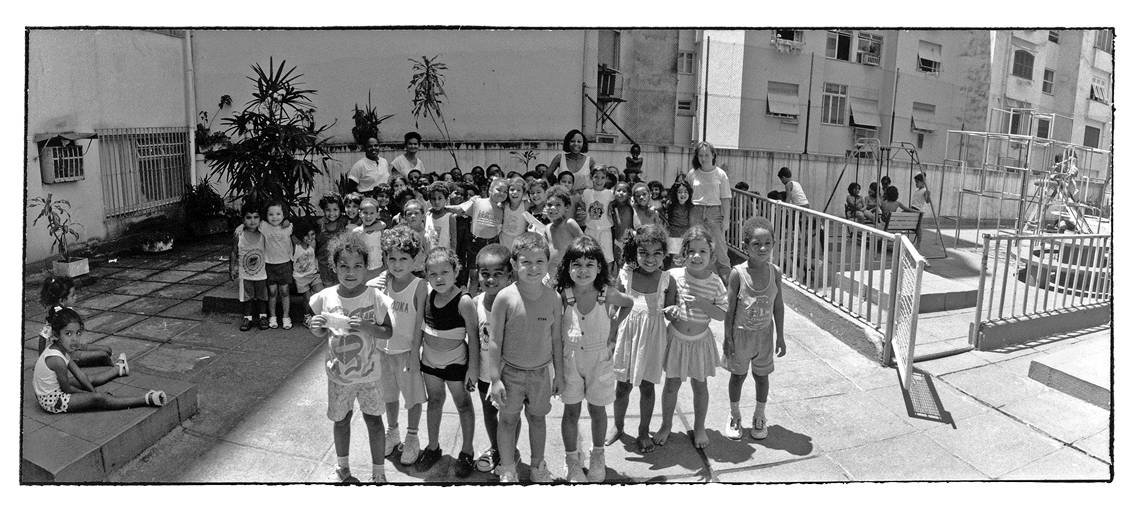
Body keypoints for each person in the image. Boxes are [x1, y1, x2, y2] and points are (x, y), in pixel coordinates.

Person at [308, 233, 393, 483]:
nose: (350, 272)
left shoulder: (374, 297)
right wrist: (315, 326)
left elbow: (388, 331)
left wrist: (368, 327)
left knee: (374, 421)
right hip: (339, 376)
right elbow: (319, 330)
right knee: (341, 420)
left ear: (366, 268)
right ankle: (342, 467)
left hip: (369, 375)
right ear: (334, 267)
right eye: (343, 266)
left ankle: (379, 471)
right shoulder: (325, 297)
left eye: (357, 266)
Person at [486, 232, 564, 483]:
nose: (533, 268)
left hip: (541, 373)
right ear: (514, 265)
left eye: (539, 261)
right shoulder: (505, 297)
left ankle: (537, 467)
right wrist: (495, 379)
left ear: (548, 263)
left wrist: (559, 375)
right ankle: (507, 467)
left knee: (537, 420)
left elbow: (555, 340)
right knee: (507, 421)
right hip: (510, 373)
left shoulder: (553, 298)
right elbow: (494, 340)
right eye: (525, 262)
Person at [555, 236, 634, 482]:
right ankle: (572, 458)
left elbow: (629, 303)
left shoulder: (605, 293)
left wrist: (613, 331)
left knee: (597, 409)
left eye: (590, 264)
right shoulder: (561, 295)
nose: (583, 270)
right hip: (570, 359)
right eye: (576, 264)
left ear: (600, 267)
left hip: (599, 359)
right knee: (571, 411)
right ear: (567, 267)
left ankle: (598, 454)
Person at [657, 225, 727, 450]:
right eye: (691, 251)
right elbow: (663, 304)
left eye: (703, 251)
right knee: (671, 385)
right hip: (676, 339)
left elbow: (721, 314)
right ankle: (666, 425)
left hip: (700, 343)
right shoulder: (674, 276)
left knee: (700, 386)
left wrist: (701, 302)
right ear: (683, 253)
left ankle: (699, 427)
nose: (696, 256)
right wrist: (670, 311)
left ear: (711, 255)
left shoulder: (715, 282)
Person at [608, 224, 676, 453]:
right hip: (627, 339)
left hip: (652, 342)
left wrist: (673, 311)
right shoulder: (626, 274)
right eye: (644, 253)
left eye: (657, 253)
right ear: (634, 252)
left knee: (647, 388)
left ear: (664, 255)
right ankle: (617, 427)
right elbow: (613, 303)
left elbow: (670, 309)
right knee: (622, 388)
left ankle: (643, 431)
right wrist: (611, 330)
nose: (650, 259)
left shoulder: (667, 280)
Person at [415, 247, 481, 477]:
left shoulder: (464, 301)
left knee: (463, 404)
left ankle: (466, 452)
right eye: (433, 274)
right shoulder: (427, 295)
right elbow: (421, 331)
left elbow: (474, 338)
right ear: (426, 276)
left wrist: (473, 369)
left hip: (456, 362)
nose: (439, 278)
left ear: (456, 271)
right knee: (434, 402)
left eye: (445, 272)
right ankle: (433, 448)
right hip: (430, 361)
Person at [368, 226, 429, 467]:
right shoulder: (383, 283)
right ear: (384, 259)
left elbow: (419, 325)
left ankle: (412, 437)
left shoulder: (420, 286)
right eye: (391, 258)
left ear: (414, 259)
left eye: (404, 258)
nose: (397, 264)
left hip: (406, 353)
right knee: (389, 397)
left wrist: (415, 355)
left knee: (412, 399)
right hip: (383, 350)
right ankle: (392, 432)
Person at [723, 217, 786, 441]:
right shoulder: (737, 274)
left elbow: (778, 306)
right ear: (744, 246)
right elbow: (729, 310)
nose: (762, 248)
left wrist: (781, 336)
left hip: (764, 337)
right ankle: (734, 415)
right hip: (741, 336)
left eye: (768, 243)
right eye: (756, 244)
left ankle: (759, 416)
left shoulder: (775, 272)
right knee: (738, 377)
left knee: (762, 377)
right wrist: (727, 338)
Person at [34, 307, 164, 414]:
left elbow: (80, 375)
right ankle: (146, 399)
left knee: (88, 380)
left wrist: (92, 392)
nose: (74, 339)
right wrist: (93, 396)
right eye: (68, 334)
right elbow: (66, 389)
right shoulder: (56, 359)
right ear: (56, 334)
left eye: (78, 333)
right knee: (100, 399)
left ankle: (118, 370)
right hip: (54, 401)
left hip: (55, 387)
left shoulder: (61, 349)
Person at [472, 244, 514, 473]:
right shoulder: (475, 303)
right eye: (485, 274)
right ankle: (497, 448)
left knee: (509, 416)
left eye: (498, 274)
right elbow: (473, 340)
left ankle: (510, 451)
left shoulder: (514, 301)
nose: (491, 280)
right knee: (489, 413)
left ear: (509, 275)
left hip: (509, 374)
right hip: (484, 372)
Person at [38, 276, 114, 364]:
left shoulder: (68, 309)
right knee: (103, 354)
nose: (76, 297)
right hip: (68, 355)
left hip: (75, 346)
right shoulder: (56, 316)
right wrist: (41, 360)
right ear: (62, 300)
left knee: (108, 350)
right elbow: (42, 337)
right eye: (72, 295)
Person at [451, 178, 508, 291]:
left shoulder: (504, 208)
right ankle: (472, 302)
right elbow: (459, 209)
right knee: (474, 276)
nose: (502, 193)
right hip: (474, 244)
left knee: (492, 275)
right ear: (490, 190)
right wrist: (442, 209)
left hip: (492, 243)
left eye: (505, 191)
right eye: (498, 189)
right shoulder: (477, 201)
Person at [687, 142, 732, 281]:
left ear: (713, 155)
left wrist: (726, 220)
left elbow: (725, 198)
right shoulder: (692, 174)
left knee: (719, 247)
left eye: (707, 154)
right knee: (697, 244)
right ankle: (700, 278)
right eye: (700, 155)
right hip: (696, 211)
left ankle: (728, 282)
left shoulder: (720, 174)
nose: (703, 158)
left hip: (714, 212)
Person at [232, 201, 269, 331]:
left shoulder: (264, 234)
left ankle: (263, 317)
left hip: (261, 274)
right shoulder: (239, 235)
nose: (252, 221)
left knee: (262, 296)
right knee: (247, 297)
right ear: (243, 219)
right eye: (248, 218)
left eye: (256, 217)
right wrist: (232, 268)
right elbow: (233, 252)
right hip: (245, 274)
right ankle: (247, 318)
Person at [260, 201, 295, 330]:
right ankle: (273, 316)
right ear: (266, 215)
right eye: (271, 214)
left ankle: (286, 317)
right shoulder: (263, 226)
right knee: (272, 292)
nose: (275, 217)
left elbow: (299, 224)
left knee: (285, 291)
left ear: (284, 214)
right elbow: (250, 223)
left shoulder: (288, 226)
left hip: (285, 264)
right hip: (269, 264)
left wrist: (287, 220)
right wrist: (241, 226)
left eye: (278, 214)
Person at [541, 186, 583, 279]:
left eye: (558, 205)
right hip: (550, 275)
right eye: (549, 204)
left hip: (568, 275)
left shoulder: (569, 224)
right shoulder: (547, 228)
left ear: (567, 207)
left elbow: (585, 245)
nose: (552, 208)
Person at [579, 167, 615, 266]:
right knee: (588, 256)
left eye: (602, 177)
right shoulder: (586, 193)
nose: (599, 180)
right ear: (591, 178)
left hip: (605, 230)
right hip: (590, 229)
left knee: (607, 258)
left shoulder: (609, 194)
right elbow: (582, 203)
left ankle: (607, 280)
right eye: (596, 177)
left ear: (606, 178)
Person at [292, 220, 323, 328]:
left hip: (313, 274)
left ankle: (320, 315)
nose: (310, 238)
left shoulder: (313, 243)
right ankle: (306, 316)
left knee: (320, 292)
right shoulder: (295, 245)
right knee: (307, 297)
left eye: (312, 234)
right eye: (306, 235)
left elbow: (314, 256)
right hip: (300, 277)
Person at [351, 198, 387, 282]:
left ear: (377, 214)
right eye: (365, 213)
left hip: (379, 268)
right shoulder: (356, 232)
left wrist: (386, 266)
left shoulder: (379, 230)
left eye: (372, 213)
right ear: (360, 213)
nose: (368, 216)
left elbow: (384, 249)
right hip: (364, 270)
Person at [316, 193, 346, 287]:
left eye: (335, 209)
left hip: (341, 265)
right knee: (329, 292)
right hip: (324, 267)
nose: (332, 213)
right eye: (328, 210)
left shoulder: (344, 222)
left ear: (340, 209)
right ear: (323, 210)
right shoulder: (319, 224)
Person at [661, 181, 693, 265]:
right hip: (674, 235)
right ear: (675, 194)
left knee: (685, 258)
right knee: (674, 260)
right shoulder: (670, 204)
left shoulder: (691, 206)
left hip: (686, 234)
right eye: (680, 192)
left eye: (685, 192)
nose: (683, 194)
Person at [500, 176, 533, 250]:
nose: (515, 192)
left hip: (519, 240)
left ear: (523, 193)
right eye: (512, 190)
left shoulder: (525, 204)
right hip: (504, 239)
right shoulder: (504, 204)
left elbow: (539, 199)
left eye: (519, 190)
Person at [424, 182, 457, 252]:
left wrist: (452, 256)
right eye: (433, 199)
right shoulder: (427, 216)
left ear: (446, 199)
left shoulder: (450, 217)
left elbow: (453, 241)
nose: (437, 202)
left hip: (444, 256)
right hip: (429, 256)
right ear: (429, 200)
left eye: (440, 198)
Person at [610, 182, 634, 271]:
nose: (621, 193)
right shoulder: (611, 206)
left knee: (627, 267)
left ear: (629, 194)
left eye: (624, 191)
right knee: (616, 266)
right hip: (615, 241)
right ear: (614, 192)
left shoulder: (631, 208)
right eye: (618, 190)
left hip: (628, 241)